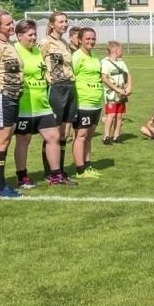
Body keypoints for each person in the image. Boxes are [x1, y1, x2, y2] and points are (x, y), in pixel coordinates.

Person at [0, 10, 24, 198]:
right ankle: (0, 186)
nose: (12, 26)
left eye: (12, 22)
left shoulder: (9, 44)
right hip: (3, 96)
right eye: (8, 24)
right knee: (1, 141)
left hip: (14, 96)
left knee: (7, 139)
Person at [12, 19, 51, 189]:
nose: (34, 37)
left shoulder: (37, 51)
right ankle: (22, 176)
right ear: (19, 35)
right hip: (24, 105)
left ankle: (54, 174)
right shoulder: (14, 50)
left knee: (53, 136)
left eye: (35, 34)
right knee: (24, 140)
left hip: (42, 103)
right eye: (30, 34)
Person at [41, 11, 77, 186]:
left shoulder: (64, 42)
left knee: (65, 132)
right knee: (52, 133)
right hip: (56, 88)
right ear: (52, 24)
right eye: (61, 21)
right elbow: (39, 64)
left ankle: (60, 170)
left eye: (66, 21)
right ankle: (50, 173)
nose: (65, 24)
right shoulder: (45, 43)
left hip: (70, 86)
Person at [71, 27, 103, 178]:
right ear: (80, 40)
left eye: (93, 39)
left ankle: (87, 165)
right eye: (87, 39)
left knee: (89, 136)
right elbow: (71, 77)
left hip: (96, 103)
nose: (91, 41)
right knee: (81, 136)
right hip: (83, 103)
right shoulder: (76, 57)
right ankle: (80, 169)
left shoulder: (95, 57)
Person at [100, 41, 131, 143]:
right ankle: (106, 136)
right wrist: (116, 89)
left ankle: (116, 136)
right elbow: (104, 78)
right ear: (116, 51)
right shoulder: (105, 62)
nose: (122, 52)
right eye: (121, 50)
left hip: (121, 93)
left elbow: (127, 74)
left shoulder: (121, 62)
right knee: (111, 115)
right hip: (111, 94)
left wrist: (128, 87)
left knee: (119, 115)